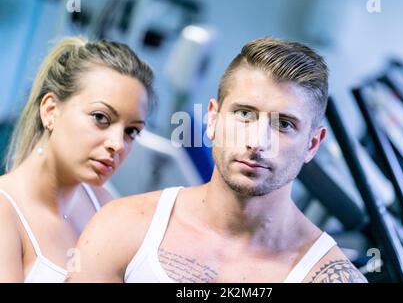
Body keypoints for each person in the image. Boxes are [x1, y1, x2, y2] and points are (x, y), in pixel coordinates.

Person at [67, 37, 367, 283]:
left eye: (284, 124)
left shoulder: (329, 277)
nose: (257, 142)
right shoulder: (123, 226)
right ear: (212, 119)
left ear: (312, 144)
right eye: (244, 114)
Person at [0, 36, 154, 282]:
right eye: (100, 117)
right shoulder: (5, 211)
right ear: (50, 110)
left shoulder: (106, 209)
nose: (117, 144)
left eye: (131, 131)